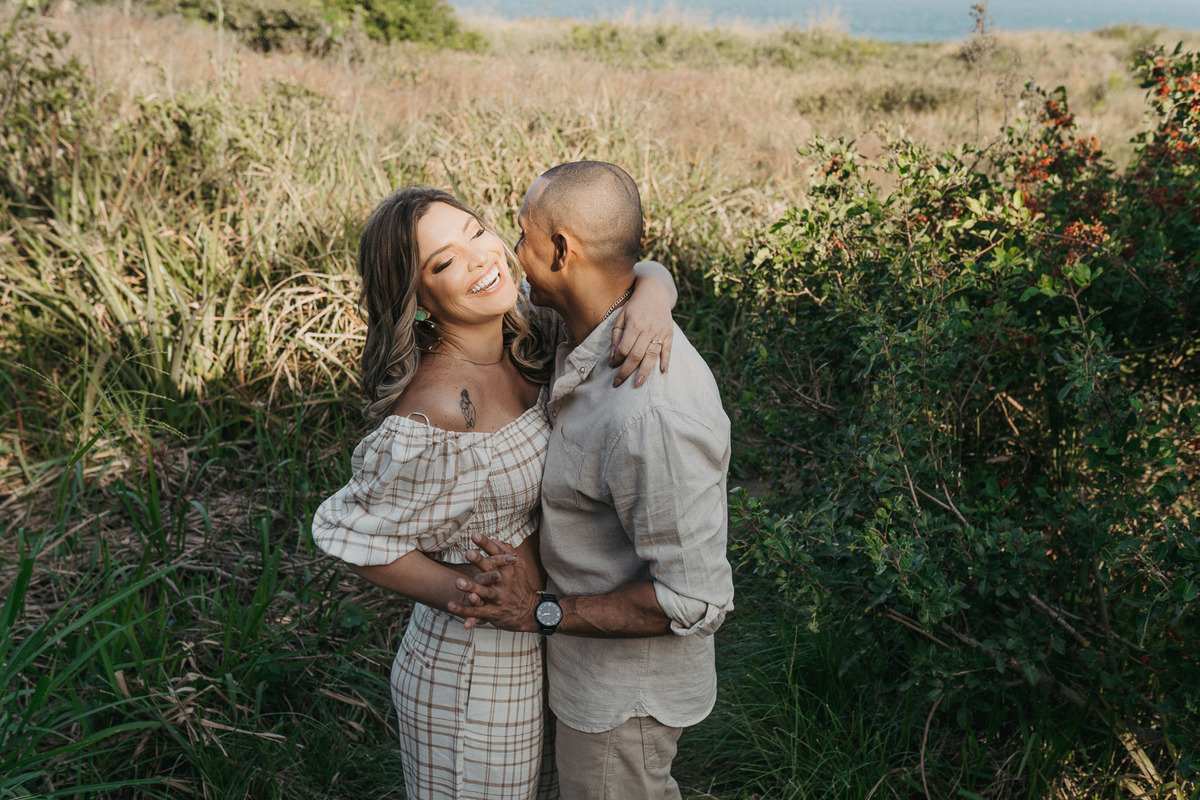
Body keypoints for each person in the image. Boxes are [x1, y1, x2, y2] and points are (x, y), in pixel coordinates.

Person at [310, 185, 677, 800]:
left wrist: (655, 299)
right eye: (443, 262)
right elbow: (350, 538)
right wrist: (473, 592)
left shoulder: (530, 331)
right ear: (419, 301)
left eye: (476, 232)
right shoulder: (433, 414)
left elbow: (630, 266)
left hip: (542, 644)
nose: (481, 259)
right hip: (473, 670)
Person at [450, 161, 735, 800]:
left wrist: (540, 611)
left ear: (560, 250)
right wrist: (656, 283)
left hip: (621, 700)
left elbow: (695, 600)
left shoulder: (649, 413)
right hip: (576, 667)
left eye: (522, 237)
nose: (510, 251)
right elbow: (636, 267)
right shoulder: (578, 327)